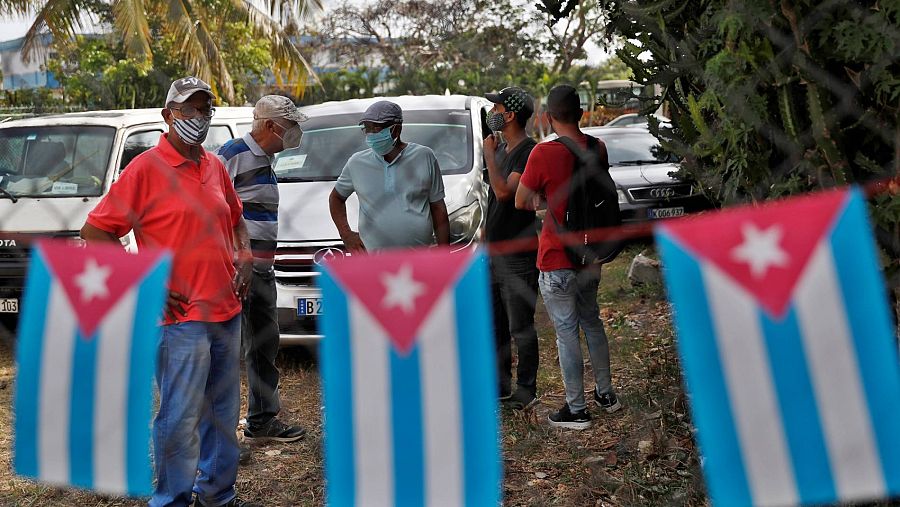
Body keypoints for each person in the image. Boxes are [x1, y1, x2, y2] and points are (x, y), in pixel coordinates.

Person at [80, 76, 259, 507]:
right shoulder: (145, 169)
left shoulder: (214, 165)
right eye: (190, 109)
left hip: (225, 310)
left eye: (205, 108)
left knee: (222, 416)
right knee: (179, 419)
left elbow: (235, 217)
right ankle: (172, 500)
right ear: (168, 115)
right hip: (180, 320)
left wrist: (246, 256)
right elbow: (96, 231)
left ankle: (217, 494)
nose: (199, 117)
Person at [514, 84, 623, 430]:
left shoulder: (542, 155)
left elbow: (520, 200)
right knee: (592, 321)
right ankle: (606, 394)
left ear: (548, 117)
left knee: (566, 331)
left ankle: (576, 410)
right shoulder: (598, 147)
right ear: (580, 113)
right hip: (590, 254)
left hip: (557, 255)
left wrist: (547, 201)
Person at [217, 96, 308, 459]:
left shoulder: (266, 160)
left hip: (262, 271)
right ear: (271, 126)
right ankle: (224, 437)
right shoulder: (232, 154)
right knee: (227, 353)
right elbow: (214, 208)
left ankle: (263, 420)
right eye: (291, 125)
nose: (296, 132)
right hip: (235, 270)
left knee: (263, 345)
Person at [482, 86, 540, 410]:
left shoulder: (527, 152)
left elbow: (506, 192)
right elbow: (494, 200)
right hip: (494, 251)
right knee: (496, 323)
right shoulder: (502, 149)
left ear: (511, 114)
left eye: (498, 106)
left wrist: (490, 157)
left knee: (521, 324)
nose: (494, 112)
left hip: (518, 255)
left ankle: (527, 388)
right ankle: (499, 384)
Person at [329, 100, 450, 251]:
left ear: (396, 130)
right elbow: (336, 198)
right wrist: (346, 234)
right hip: (373, 261)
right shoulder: (356, 163)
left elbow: (438, 208)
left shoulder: (424, 157)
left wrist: (445, 254)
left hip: (419, 257)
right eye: (367, 129)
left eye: (377, 128)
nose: (371, 134)